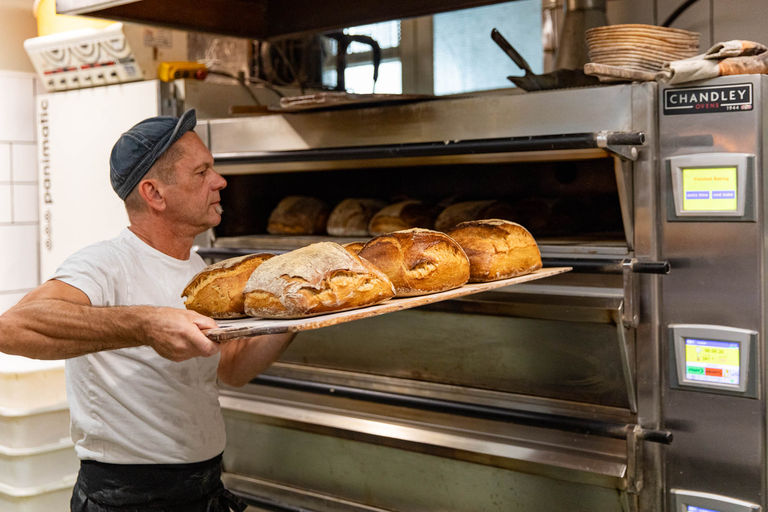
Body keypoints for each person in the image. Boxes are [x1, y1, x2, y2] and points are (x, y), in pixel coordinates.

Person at [0, 109, 294, 511]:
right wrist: (145, 324)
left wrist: (295, 316)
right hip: (126, 499)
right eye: (202, 172)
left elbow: (232, 369)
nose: (220, 181)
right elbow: (13, 327)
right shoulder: (105, 263)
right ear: (154, 194)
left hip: (202, 488)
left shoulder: (197, 269)